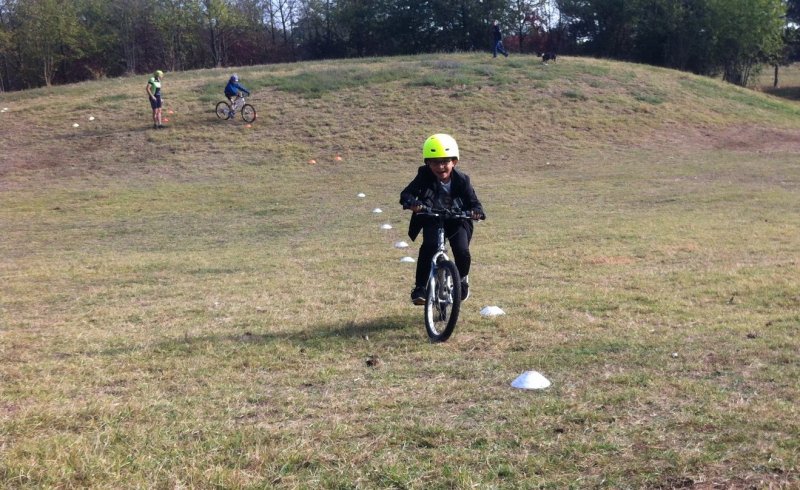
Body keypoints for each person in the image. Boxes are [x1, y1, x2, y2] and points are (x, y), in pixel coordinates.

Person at [400, 134, 485, 305]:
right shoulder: (423, 175)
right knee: (429, 246)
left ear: (454, 162)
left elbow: (475, 203)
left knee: (461, 250)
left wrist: (476, 212)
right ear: (427, 163)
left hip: (457, 219)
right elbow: (406, 194)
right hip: (433, 217)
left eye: (445, 162)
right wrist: (413, 203)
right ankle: (420, 288)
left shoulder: (463, 180)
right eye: (434, 162)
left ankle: (461, 280)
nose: (440, 167)